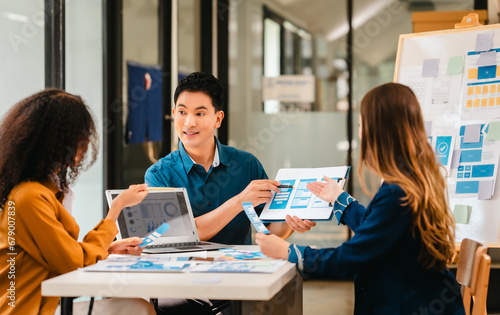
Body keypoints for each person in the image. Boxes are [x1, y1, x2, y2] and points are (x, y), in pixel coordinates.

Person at [256, 83, 466, 315]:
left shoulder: (397, 192)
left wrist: (289, 251)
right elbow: (380, 232)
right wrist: (340, 200)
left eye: (360, 124)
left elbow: (351, 257)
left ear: (377, 131)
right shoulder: (414, 177)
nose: (359, 131)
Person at [145, 72, 315, 314]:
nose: (189, 122)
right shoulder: (159, 175)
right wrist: (238, 202)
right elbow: (177, 235)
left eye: (200, 113)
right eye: (182, 112)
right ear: (174, 115)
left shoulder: (246, 165)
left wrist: (293, 220)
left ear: (218, 118)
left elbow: (270, 230)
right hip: (181, 285)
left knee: (283, 292)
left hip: (239, 282)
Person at [0, 89, 155, 315]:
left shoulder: (35, 192)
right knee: (136, 308)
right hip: (26, 310)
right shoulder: (30, 198)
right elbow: (76, 264)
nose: (86, 143)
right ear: (59, 140)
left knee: (136, 306)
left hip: (41, 306)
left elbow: (63, 254)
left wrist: (108, 249)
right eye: (81, 135)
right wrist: (117, 207)